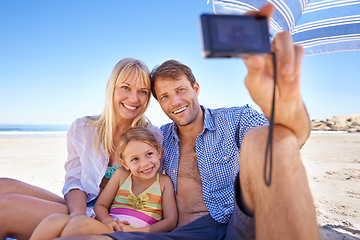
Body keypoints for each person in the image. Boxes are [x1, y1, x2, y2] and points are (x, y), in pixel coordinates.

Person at [56, 4, 320, 240]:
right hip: (182, 232)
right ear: (158, 103)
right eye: (165, 96)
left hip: (238, 225)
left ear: (196, 87)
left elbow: (293, 139)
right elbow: (120, 174)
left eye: (181, 90)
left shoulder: (234, 118)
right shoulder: (157, 141)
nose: (175, 102)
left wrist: (285, 105)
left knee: (269, 140)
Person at [0, 58, 162, 240]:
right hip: (84, 208)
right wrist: (77, 215)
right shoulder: (83, 128)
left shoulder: (152, 137)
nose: (134, 98)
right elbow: (74, 181)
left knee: (5, 209)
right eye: (126, 87)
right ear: (111, 87)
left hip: (115, 218)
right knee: (3, 185)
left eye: (142, 91)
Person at [30, 127, 177, 240]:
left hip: (137, 236)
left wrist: (135, 231)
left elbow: (171, 221)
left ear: (158, 152)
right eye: (135, 159)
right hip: (111, 230)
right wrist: (107, 221)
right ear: (124, 163)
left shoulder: (163, 183)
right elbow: (100, 206)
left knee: (80, 223)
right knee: (53, 220)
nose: (145, 163)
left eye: (149, 154)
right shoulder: (121, 175)